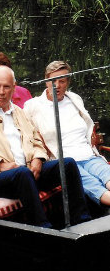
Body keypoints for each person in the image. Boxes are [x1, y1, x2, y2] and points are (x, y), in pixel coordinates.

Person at [0, 65, 90, 227]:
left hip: (27, 173)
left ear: (14, 88)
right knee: (21, 173)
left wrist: (37, 158)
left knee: (68, 164)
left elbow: (36, 141)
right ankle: (44, 228)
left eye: (6, 87)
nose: (1, 91)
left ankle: (82, 221)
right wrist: (1, 165)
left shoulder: (19, 112)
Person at [24, 61, 110, 207]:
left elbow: (87, 125)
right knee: (97, 188)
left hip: (89, 156)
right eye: (52, 81)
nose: (56, 85)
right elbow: (27, 137)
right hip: (66, 163)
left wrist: (92, 136)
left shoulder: (74, 99)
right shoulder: (33, 106)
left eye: (62, 81)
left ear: (68, 82)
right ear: (46, 81)